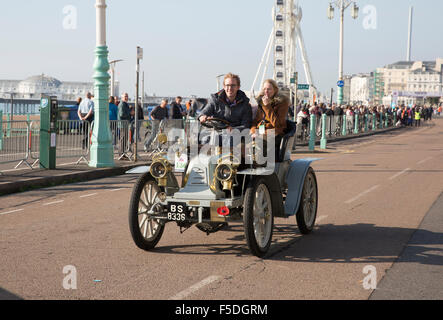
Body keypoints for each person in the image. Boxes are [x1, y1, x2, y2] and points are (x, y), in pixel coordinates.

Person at [250, 79, 290, 162]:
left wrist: (267, 106)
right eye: (264, 89)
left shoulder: (282, 102)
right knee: (241, 144)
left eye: (269, 89)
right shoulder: (261, 102)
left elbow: (277, 123)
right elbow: (256, 121)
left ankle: (260, 169)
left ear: (275, 90)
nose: (266, 91)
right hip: (260, 132)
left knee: (259, 146)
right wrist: (253, 131)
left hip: (275, 133)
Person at [118, 93, 132, 159]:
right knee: (123, 139)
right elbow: (121, 114)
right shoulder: (122, 104)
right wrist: (129, 113)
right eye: (125, 96)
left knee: (125, 139)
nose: (126, 97)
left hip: (125, 124)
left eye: (127, 96)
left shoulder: (125, 104)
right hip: (122, 124)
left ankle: (123, 153)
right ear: (122, 97)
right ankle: (121, 154)